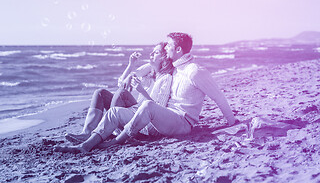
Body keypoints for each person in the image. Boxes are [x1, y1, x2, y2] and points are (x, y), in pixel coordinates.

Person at [55, 32, 236, 153]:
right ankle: (85, 145)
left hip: (183, 122)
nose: (166, 49)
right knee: (113, 111)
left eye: (169, 46)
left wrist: (232, 122)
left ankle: (117, 141)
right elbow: (145, 71)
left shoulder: (194, 71)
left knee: (147, 105)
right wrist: (131, 67)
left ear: (178, 50)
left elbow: (218, 96)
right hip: (165, 117)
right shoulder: (175, 69)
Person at [63, 42, 174, 145]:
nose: (151, 53)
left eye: (156, 52)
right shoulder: (149, 70)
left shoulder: (166, 78)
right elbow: (122, 82)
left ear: (164, 58)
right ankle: (87, 132)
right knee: (100, 93)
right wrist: (131, 64)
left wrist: (142, 91)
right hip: (135, 109)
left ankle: (111, 131)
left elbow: (158, 109)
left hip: (142, 120)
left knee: (121, 92)